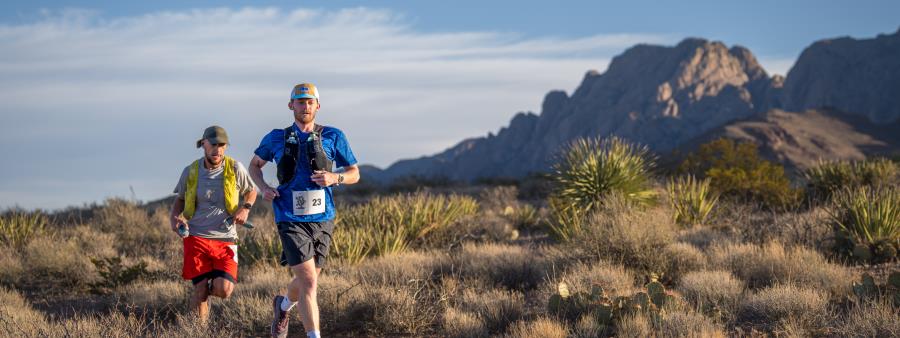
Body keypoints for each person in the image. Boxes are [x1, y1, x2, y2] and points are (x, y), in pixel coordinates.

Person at [249, 83, 359, 338]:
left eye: (310, 102)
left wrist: (335, 178)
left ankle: (283, 306)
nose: (305, 106)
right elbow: (255, 165)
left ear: (317, 106)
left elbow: (355, 173)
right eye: (300, 102)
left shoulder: (333, 135)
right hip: (289, 216)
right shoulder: (276, 137)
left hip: (323, 218)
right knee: (310, 281)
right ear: (291, 106)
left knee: (307, 280)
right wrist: (264, 187)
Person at [170, 125, 258, 324]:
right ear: (203, 144)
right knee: (200, 290)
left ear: (226, 147)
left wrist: (245, 208)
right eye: (213, 144)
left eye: (221, 145)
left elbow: (251, 191)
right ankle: (197, 328)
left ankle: (202, 295)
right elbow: (180, 200)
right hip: (196, 237)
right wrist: (174, 218)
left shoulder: (235, 168)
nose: (217, 149)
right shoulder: (190, 171)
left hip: (226, 238)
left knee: (224, 290)